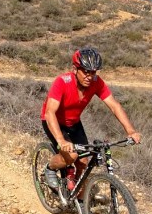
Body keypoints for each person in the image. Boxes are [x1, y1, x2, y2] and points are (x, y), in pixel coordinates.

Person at [41, 48, 141, 189]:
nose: (89, 76)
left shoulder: (96, 82)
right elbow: (50, 112)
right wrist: (61, 140)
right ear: (75, 69)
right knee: (71, 156)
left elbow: (114, 105)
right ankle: (50, 169)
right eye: (86, 71)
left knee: (83, 160)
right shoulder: (62, 82)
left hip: (74, 122)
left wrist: (131, 131)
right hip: (54, 122)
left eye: (93, 72)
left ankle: (78, 197)